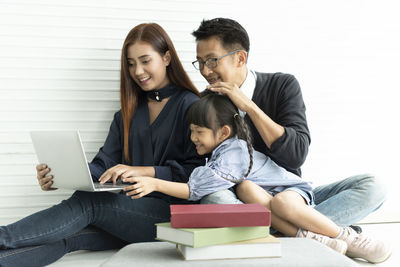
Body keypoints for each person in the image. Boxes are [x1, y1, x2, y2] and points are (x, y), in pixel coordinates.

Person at [0, 23, 203, 267]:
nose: (137, 71)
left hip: (171, 218)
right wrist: (62, 175)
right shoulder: (127, 113)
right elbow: (103, 165)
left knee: (90, 202)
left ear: (167, 57)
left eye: (145, 60)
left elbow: (198, 174)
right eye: (130, 63)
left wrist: (147, 172)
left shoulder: (192, 106)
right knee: (68, 236)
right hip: (131, 214)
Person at [190, 17, 388, 259]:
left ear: (240, 58)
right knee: (214, 199)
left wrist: (250, 107)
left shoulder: (282, 85)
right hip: (243, 200)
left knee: (373, 187)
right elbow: (202, 165)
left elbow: (295, 155)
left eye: (212, 60)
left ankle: (280, 235)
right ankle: (316, 234)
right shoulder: (205, 103)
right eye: (200, 62)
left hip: (292, 198)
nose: (205, 71)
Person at [121, 92, 391, 262]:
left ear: (223, 132)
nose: (192, 139)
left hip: (293, 195)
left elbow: (194, 189)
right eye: (191, 131)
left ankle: (341, 236)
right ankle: (307, 235)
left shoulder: (233, 152)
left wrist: (155, 183)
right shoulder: (219, 153)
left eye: (198, 132)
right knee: (247, 189)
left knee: (283, 202)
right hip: (265, 203)